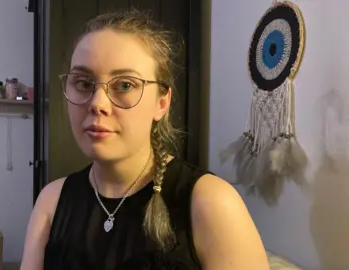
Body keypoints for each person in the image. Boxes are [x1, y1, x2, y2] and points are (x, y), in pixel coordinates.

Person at [20, 10, 270, 270]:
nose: (97, 103)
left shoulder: (211, 202)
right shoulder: (52, 200)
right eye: (83, 83)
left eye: (125, 85)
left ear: (161, 103)